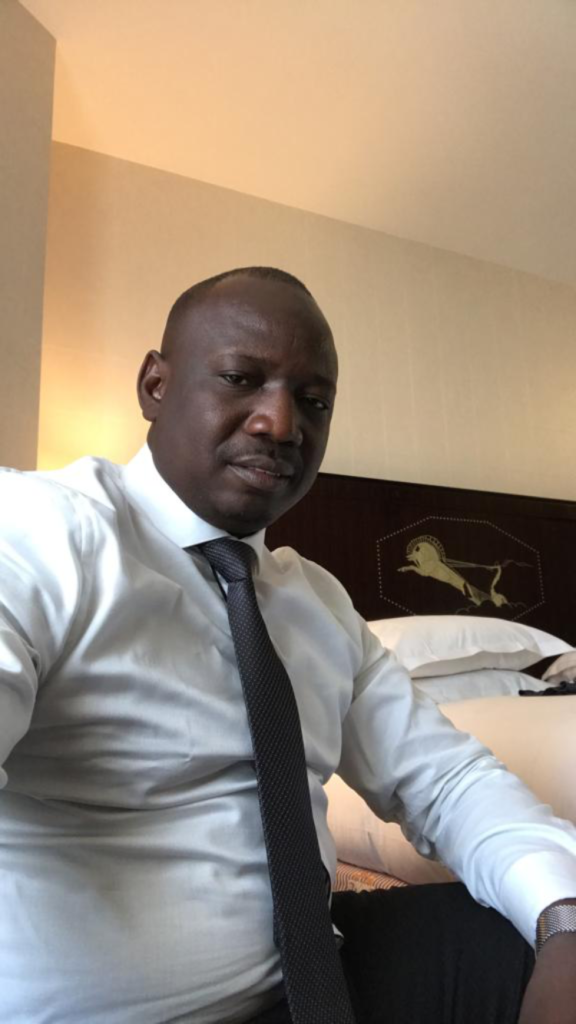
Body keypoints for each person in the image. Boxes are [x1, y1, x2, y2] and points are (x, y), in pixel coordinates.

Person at [0, 266, 575, 1024]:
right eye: (241, 379)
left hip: (317, 973)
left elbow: (446, 780)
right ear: (155, 385)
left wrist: (564, 919)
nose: (280, 423)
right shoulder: (38, 532)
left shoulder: (318, 603)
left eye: (313, 401)